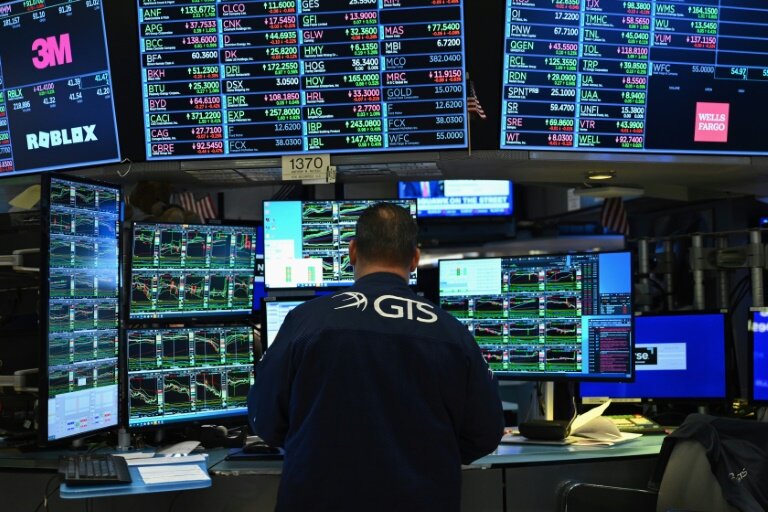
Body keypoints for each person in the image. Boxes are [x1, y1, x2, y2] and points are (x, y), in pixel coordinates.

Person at [248, 202, 504, 512]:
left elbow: (264, 418)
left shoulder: (305, 322)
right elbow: (486, 433)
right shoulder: (453, 333)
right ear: (414, 259)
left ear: (352, 251)